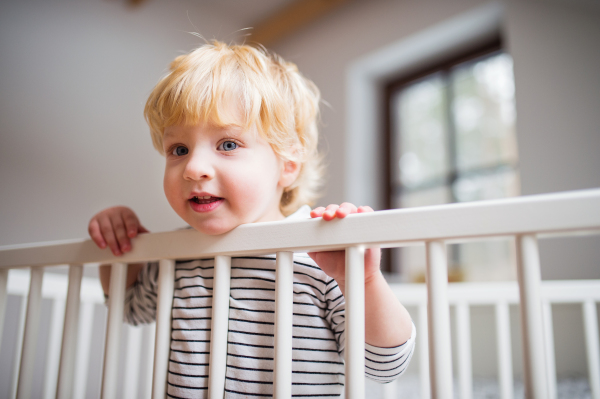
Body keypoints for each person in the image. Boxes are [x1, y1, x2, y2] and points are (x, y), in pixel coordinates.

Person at [89, 40, 415, 397]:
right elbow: (130, 308)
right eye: (178, 150)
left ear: (288, 166)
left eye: (227, 144)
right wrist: (117, 242)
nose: (194, 168)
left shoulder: (323, 253)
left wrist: (363, 280)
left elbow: (385, 366)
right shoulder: (178, 254)